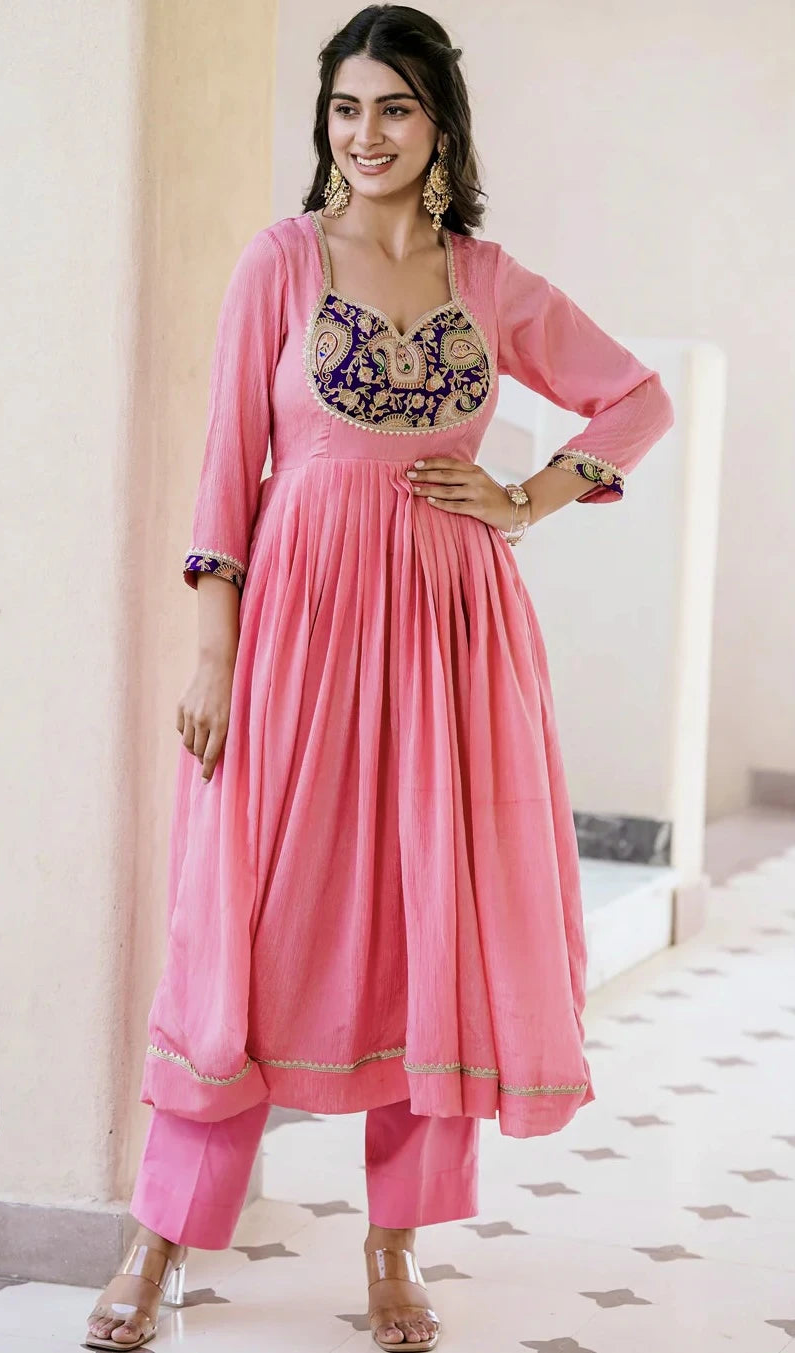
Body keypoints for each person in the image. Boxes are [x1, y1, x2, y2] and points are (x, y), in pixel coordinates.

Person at [84, 5, 674, 1350]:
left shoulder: (490, 280)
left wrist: (528, 496)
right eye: (346, 109)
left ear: (439, 126)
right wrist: (215, 650)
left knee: (431, 927)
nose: (366, 136)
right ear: (324, 122)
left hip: (453, 642)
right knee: (239, 919)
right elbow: (229, 461)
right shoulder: (283, 265)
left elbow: (637, 398)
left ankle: (396, 1247)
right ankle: (158, 1236)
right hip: (296, 634)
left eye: (394, 110)